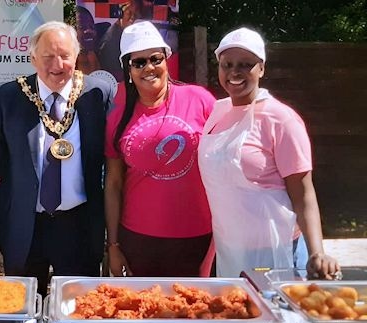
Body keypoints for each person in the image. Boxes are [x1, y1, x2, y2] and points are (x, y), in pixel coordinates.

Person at [198, 27, 340, 278]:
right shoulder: (216, 114)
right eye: (227, 64)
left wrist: (318, 251)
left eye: (245, 64)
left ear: (261, 68)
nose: (234, 72)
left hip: (278, 251)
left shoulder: (281, 119)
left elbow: (303, 193)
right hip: (229, 250)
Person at [0, 21, 112, 296]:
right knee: (22, 309)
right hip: (24, 224)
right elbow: (0, 159)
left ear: (76, 56)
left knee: (79, 310)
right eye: (47, 57)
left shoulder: (98, 94)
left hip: (78, 225)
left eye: (65, 55)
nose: (57, 64)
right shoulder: (7, 97)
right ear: (32, 58)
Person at [104, 21, 215, 277]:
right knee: (143, 311)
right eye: (139, 62)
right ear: (128, 70)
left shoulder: (200, 101)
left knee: (193, 311)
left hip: (197, 236)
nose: (149, 68)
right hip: (138, 239)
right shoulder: (118, 120)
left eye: (155, 59)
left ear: (167, 59)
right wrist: (113, 245)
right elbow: (113, 185)